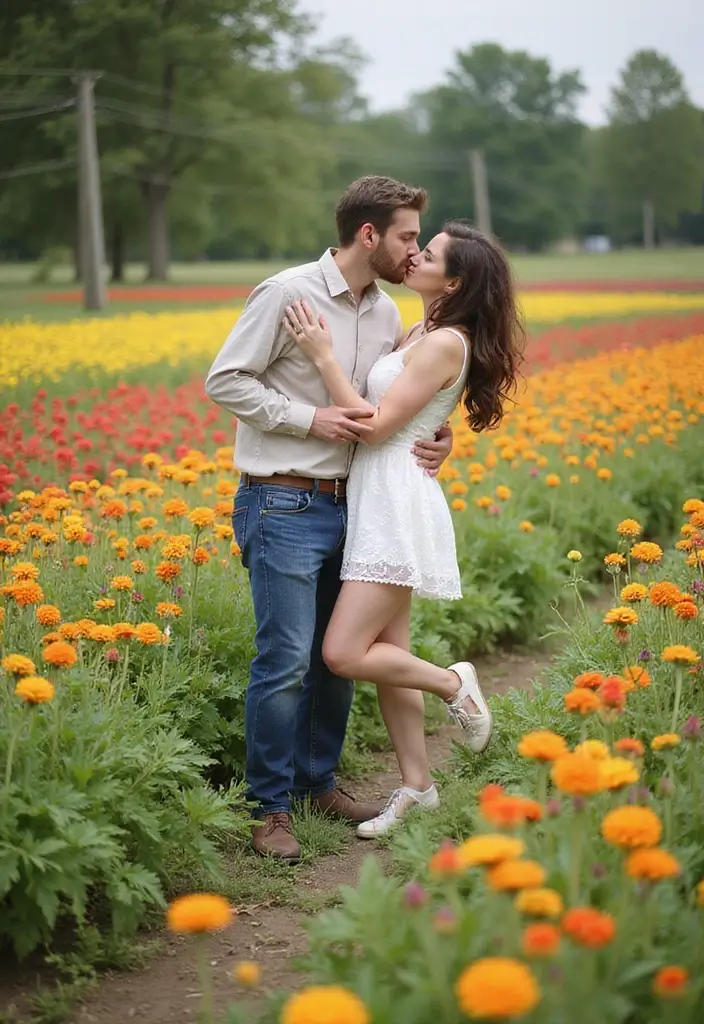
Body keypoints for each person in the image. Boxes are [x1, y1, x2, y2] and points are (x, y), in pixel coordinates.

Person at [205, 176, 455, 863]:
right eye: (407, 236)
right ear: (368, 234)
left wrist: (440, 433)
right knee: (283, 659)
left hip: (353, 503)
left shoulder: (383, 315)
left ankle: (317, 784)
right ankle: (268, 809)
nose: (413, 251)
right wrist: (306, 417)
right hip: (280, 499)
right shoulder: (288, 293)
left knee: (332, 662)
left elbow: (394, 401)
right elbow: (225, 379)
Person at [281, 220, 524, 838]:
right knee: (388, 651)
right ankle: (418, 785)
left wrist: (323, 358)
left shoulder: (446, 342)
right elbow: (418, 418)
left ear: (456, 279)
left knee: (343, 653)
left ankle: (453, 682)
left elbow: (378, 426)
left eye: (430, 252)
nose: (415, 254)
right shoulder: (420, 330)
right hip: (378, 493)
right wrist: (441, 437)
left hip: (394, 500)